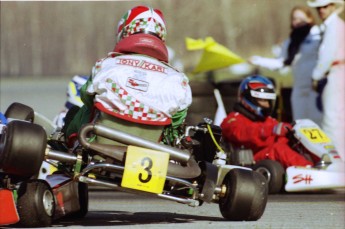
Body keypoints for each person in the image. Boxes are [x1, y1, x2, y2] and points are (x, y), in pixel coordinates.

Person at [65, 5, 192, 146]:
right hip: (153, 153)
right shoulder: (177, 79)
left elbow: (86, 96)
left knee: (81, 111)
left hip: (102, 146)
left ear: (124, 32)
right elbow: (177, 120)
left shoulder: (107, 65)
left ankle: (68, 150)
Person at [249, 6, 322, 126]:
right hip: (298, 89)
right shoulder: (291, 41)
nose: (297, 21)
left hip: (315, 89)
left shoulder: (318, 35)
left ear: (309, 18)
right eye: (294, 19)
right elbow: (281, 63)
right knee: (301, 125)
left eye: (301, 18)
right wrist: (258, 60)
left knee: (319, 124)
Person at [221, 75, 313, 169]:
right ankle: (309, 169)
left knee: (299, 143)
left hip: (269, 159)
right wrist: (271, 130)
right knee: (278, 149)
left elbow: (280, 136)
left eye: (268, 101)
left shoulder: (268, 120)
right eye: (263, 100)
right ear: (249, 98)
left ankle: (323, 164)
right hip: (251, 161)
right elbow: (242, 134)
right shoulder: (233, 119)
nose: (267, 105)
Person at [307, 0, 345, 160]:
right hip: (337, 73)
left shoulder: (333, 26)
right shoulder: (335, 25)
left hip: (335, 73)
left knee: (332, 121)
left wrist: (315, 76)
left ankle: (338, 161)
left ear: (332, 6)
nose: (321, 10)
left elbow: (327, 56)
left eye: (325, 6)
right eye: (319, 7)